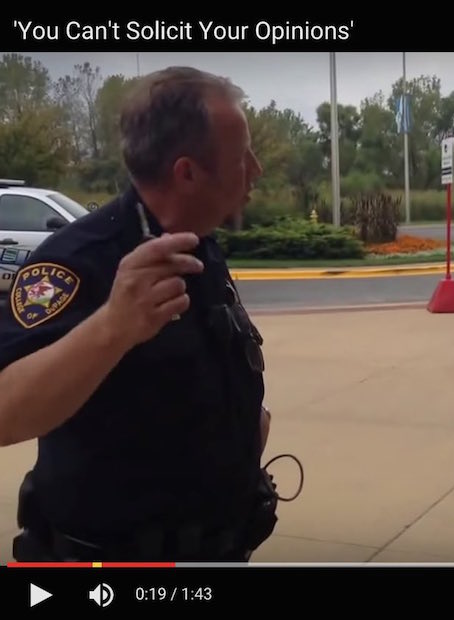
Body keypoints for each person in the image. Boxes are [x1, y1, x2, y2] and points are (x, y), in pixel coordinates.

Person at [0, 66, 277, 562]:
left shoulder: (201, 247)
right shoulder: (78, 261)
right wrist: (113, 326)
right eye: (242, 157)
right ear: (187, 173)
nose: (255, 169)